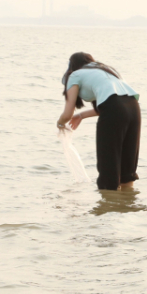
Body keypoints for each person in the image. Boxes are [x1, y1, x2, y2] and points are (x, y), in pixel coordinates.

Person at [56, 53, 140, 191]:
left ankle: (108, 208)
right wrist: (82, 115)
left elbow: (67, 113)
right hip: (133, 108)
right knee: (127, 169)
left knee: (108, 166)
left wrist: (60, 123)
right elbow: (114, 101)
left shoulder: (75, 75)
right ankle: (126, 205)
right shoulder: (106, 71)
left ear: (72, 66)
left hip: (114, 108)